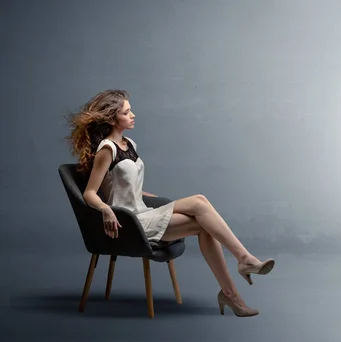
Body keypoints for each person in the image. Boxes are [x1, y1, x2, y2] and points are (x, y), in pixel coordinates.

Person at [64, 89, 274, 317]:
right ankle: (244, 263)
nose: (133, 114)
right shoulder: (107, 149)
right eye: (126, 112)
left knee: (205, 222)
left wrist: (144, 194)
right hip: (131, 224)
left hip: (143, 212)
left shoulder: (129, 143)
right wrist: (105, 209)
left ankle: (232, 294)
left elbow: (121, 183)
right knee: (200, 202)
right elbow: (90, 193)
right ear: (113, 118)